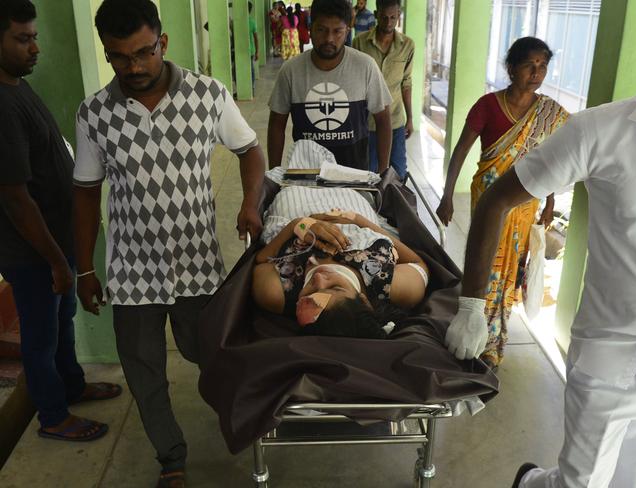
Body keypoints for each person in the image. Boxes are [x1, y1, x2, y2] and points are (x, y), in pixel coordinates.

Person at [73, 0, 265, 486]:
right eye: (119, 57)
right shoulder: (94, 114)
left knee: (213, 358)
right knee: (145, 376)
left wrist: (250, 205)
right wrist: (85, 269)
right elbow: (85, 193)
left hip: (198, 264)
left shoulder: (208, 95)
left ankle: (244, 421)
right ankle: (171, 459)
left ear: (163, 42)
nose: (133, 67)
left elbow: (250, 150)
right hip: (132, 273)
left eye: (143, 53)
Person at [445, 90, 636, 488]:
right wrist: (473, 306)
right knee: (582, 483)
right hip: (613, 358)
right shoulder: (601, 130)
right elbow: (495, 200)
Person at [0, 0, 121, 443]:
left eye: (34, 37)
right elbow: (15, 199)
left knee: (63, 320)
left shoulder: (15, 85)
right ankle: (52, 415)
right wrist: (54, 260)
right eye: (22, 38)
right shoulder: (1, 105)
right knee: (41, 336)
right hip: (32, 251)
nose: (35, 47)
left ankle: (71, 386)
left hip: (56, 241)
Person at [436, 37, 569, 368]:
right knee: (488, 263)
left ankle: (493, 340)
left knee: (510, 269)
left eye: (542, 66)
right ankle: (473, 328)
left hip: (525, 204)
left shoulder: (548, 113)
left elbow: (554, 160)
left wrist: (550, 202)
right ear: (511, 69)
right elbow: (461, 150)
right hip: (489, 198)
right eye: (529, 65)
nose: (537, 73)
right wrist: (447, 194)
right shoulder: (487, 105)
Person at [252, 185, 429, 335]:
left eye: (308, 293)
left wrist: (299, 225)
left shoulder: (275, 294)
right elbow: (417, 262)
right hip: (353, 198)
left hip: (295, 199)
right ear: (364, 300)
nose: (319, 278)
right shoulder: (392, 285)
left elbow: (261, 260)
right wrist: (357, 219)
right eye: (335, 287)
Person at [268, 0, 393, 172]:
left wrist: (383, 170)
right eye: (321, 30)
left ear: (347, 31)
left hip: (354, 176)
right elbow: (276, 125)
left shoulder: (365, 66)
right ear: (311, 29)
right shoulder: (290, 71)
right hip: (306, 176)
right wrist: (274, 174)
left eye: (337, 31)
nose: (329, 39)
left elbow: (383, 119)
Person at [353, 0, 414, 179]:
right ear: (376, 14)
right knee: (368, 173)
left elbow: (406, 83)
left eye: (393, 18)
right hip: (367, 123)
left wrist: (410, 118)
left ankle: (394, 206)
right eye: (384, 17)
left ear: (398, 17)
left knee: (398, 173)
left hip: (395, 121)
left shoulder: (407, 45)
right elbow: (354, 83)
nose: (388, 23)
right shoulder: (360, 43)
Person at [248, 1, 258, 94]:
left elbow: (256, 38)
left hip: (247, 50)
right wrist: (257, 51)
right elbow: (256, 38)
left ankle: (251, 88)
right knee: (251, 69)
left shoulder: (251, 22)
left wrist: (257, 52)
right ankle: (251, 88)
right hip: (250, 49)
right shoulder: (252, 22)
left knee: (250, 69)